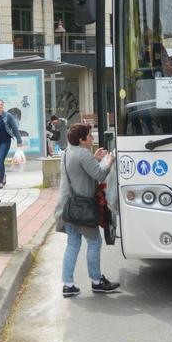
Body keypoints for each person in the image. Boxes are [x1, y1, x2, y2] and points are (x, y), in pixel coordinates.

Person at [53, 123, 119, 298]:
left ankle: (68, 284)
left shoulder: (68, 152)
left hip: (67, 207)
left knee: (73, 244)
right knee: (95, 242)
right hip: (82, 208)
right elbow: (99, 175)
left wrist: (95, 159)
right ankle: (96, 281)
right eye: (89, 136)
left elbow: (80, 171)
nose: (92, 138)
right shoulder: (83, 154)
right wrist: (108, 161)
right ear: (82, 140)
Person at [0, 99, 23, 188]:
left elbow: (14, 128)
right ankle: (3, 176)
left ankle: (0, 181)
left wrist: (19, 140)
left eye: (1, 104)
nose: (0, 106)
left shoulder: (8, 116)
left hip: (5, 142)